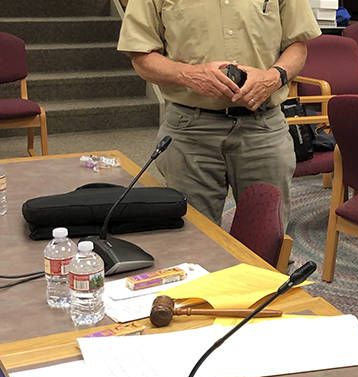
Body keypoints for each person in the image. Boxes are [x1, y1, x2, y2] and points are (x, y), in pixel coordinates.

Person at [117, 0, 321, 225]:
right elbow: (141, 55)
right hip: (190, 130)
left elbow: (298, 45)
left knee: (265, 235)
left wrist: (273, 78)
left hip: (263, 127)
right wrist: (189, 74)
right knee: (193, 238)